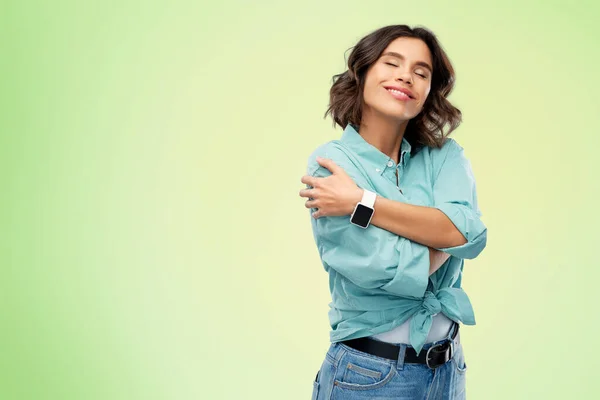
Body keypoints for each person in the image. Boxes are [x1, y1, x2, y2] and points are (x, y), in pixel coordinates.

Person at [298, 24, 487, 399]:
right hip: (370, 375)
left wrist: (361, 203)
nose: (407, 76)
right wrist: (440, 231)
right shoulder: (331, 166)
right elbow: (389, 268)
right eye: (392, 63)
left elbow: (468, 233)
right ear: (363, 72)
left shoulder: (444, 154)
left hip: (448, 370)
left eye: (421, 72)